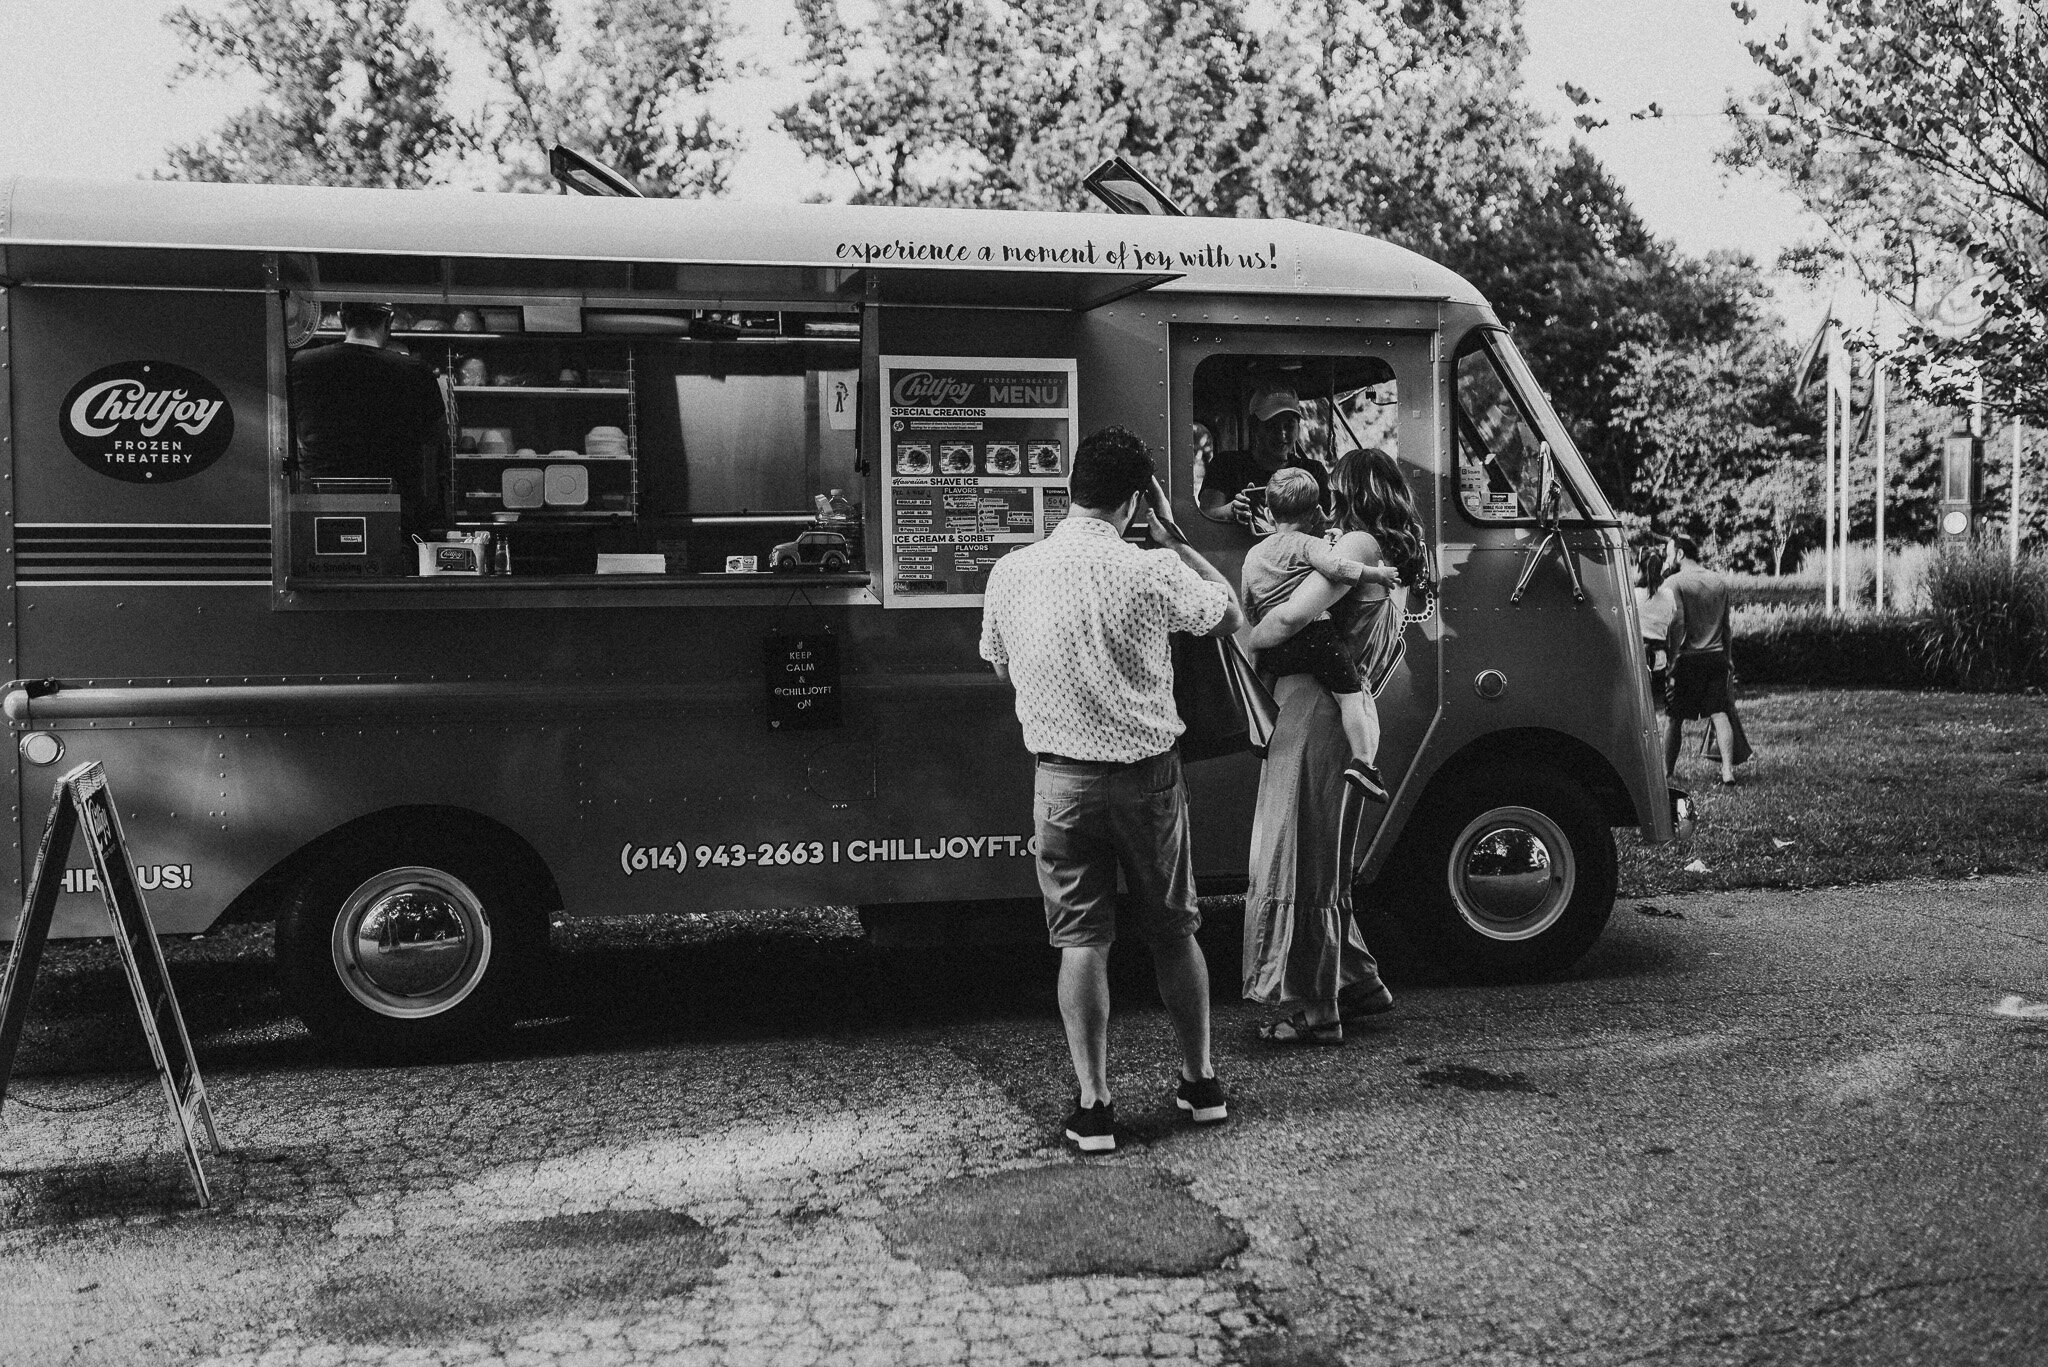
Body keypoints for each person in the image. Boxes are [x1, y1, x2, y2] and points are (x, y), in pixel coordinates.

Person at [979, 426, 1245, 1153]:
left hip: (1060, 781)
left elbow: (1001, 666)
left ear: (1071, 488)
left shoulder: (1012, 571)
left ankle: (1095, 1105)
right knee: (1173, 929)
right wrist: (1176, 535)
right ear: (1136, 499)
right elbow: (1229, 616)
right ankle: (1199, 1082)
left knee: (1081, 940)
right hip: (1148, 777)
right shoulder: (1152, 568)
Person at [1241, 448, 1430, 1045]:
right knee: (1326, 857)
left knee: (1299, 854)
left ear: (1346, 492)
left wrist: (1242, 634)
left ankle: (1317, 1011)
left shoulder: (1356, 548)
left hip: (1312, 715)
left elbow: (1291, 619)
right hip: (1339, 710)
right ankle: (1356, 980)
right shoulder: (1388, 551)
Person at [1240, 467, 1404, 800]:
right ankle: (1364, 762)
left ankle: (1258, 732)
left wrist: (1257, 634)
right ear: (1315, 511)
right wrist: (1376, 573)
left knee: (1262, 676)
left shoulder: (1253, 554)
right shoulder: (1310, 544)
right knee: (1350, 696)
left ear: (1269, 512)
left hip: (1275, 648)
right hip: (1315, 638)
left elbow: (1248, 602)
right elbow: (1335, 569)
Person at [289, 301, 448, 534]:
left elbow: (284, 429)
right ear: (389, 320)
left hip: (319, 506)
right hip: (394, 512)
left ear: (342, 318)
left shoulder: (301, 364)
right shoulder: (415, 371)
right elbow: (439, 435)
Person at [1662, 534, 1740, 786]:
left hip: (1687, 659)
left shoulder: (1674, 583)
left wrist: (1671, 660)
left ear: (1680, 554)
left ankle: (1667, 771)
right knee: (1719, 713)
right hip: (1716, 657)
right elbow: (1727, 627)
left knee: (1675, 718)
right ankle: (1727, 770)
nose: (1667, 557)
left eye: (1669, 552)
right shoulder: (1718, 581)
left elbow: (1677, 624)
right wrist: (1728, 659)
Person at [1197, 385, 1330, 526]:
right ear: (1254, 427)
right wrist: (1231, 510)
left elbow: (1328, 523)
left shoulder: (1313, 471)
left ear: (1298, 426)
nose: (1282, 434)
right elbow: (1206, 514)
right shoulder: (1226, 465)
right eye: (1272, 426)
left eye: (1289, 425)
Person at [1635, 542, 1677, 707]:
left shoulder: (1632, 595)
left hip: (1637, 659)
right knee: (1655, 710)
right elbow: (1671, 625)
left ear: (1639, 567)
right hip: (1659, 660)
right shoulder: (1668, 595)